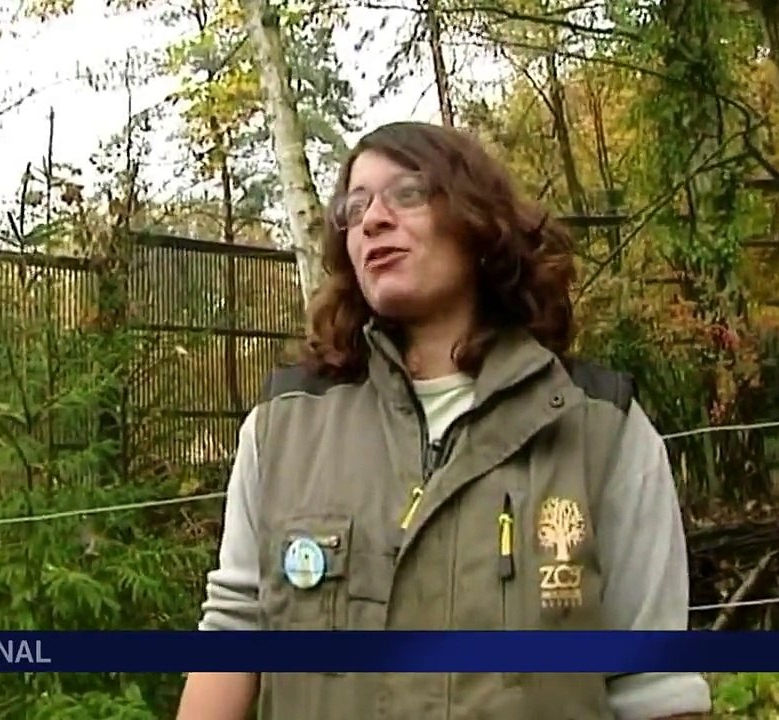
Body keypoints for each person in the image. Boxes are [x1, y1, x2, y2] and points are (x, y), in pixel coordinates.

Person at [175, 121, 712, 720]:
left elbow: (655, 686)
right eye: (355, 207)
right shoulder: (284, 428)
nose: (373, 219)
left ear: (478, 222)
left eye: (407, 193)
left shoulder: (602, 429)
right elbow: (234, 630)